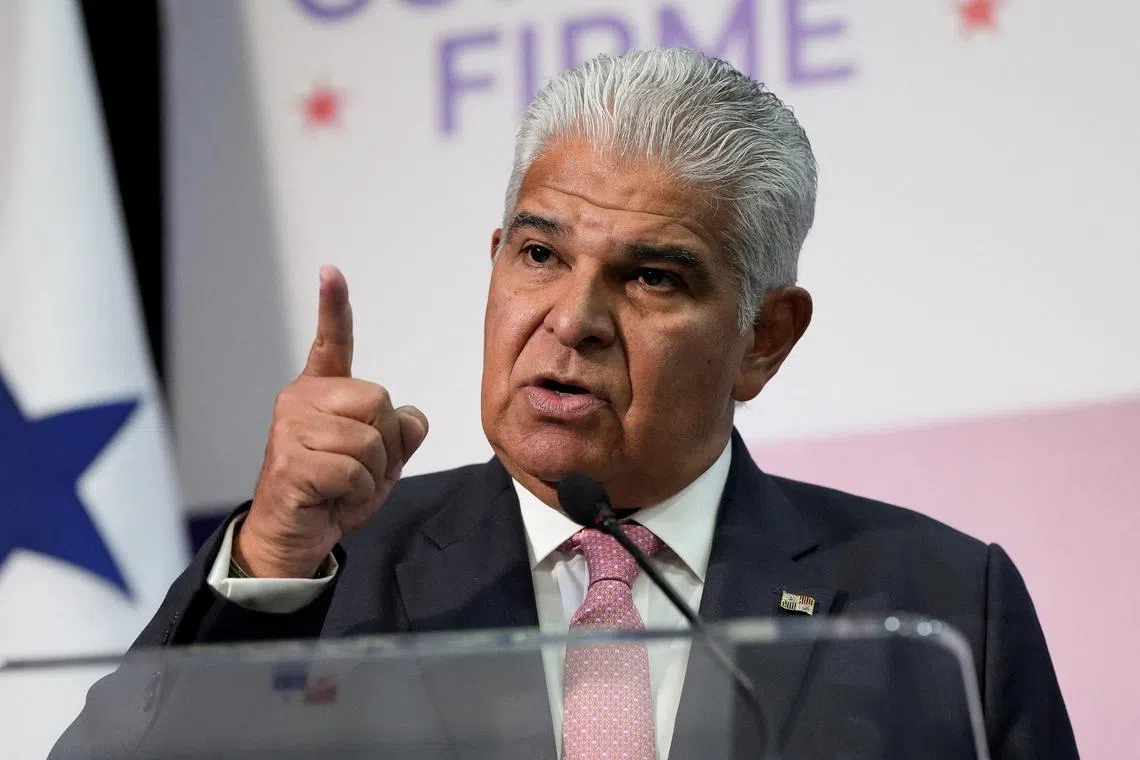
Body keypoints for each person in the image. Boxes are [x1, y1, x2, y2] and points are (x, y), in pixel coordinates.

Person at [55, 48, 1077, 759]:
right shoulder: (316, 577)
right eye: (541, 254)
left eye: (653, 278)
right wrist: (275, 556)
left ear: (763, 337)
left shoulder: (936, 605)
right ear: (496, 263)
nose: (571, 317)